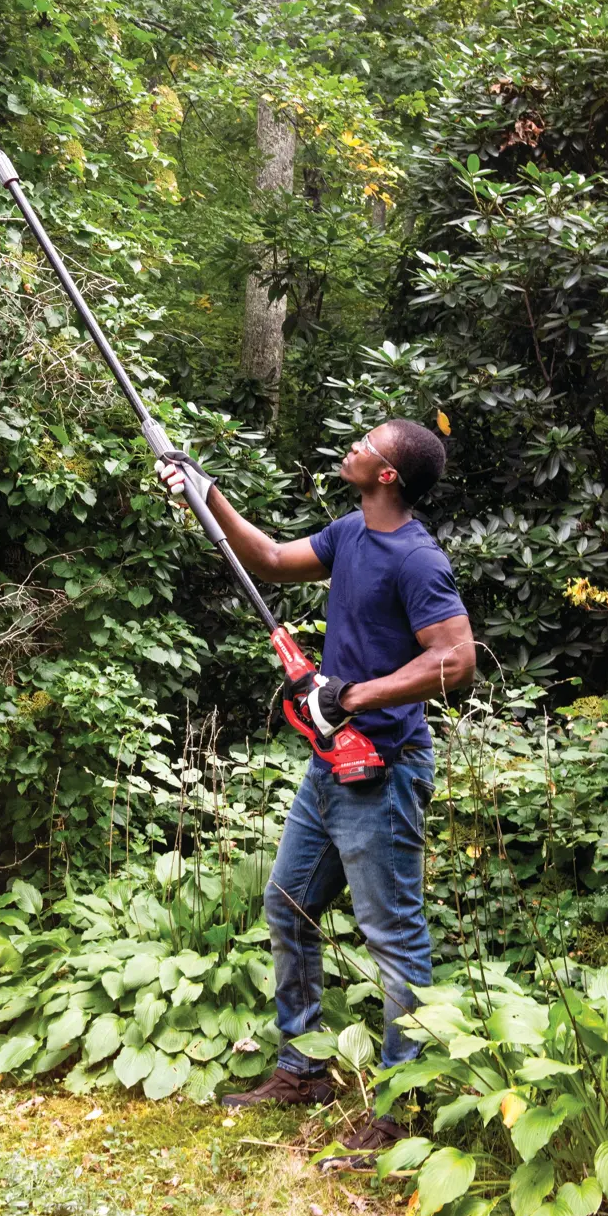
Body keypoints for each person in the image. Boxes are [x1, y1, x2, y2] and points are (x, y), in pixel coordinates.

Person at [156, 419, 475, 1166]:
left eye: (367, 444)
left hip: (384, 766)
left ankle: (400, 1109)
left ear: (388, 475)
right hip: (331, 763)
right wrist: (209, 496)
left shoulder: (416, 559)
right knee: (288, 904)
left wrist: (352, 696)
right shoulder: (349, 532)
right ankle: (303, 1069)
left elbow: (454, 661)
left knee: (393, 940)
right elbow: (267, 558)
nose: (353, 448)